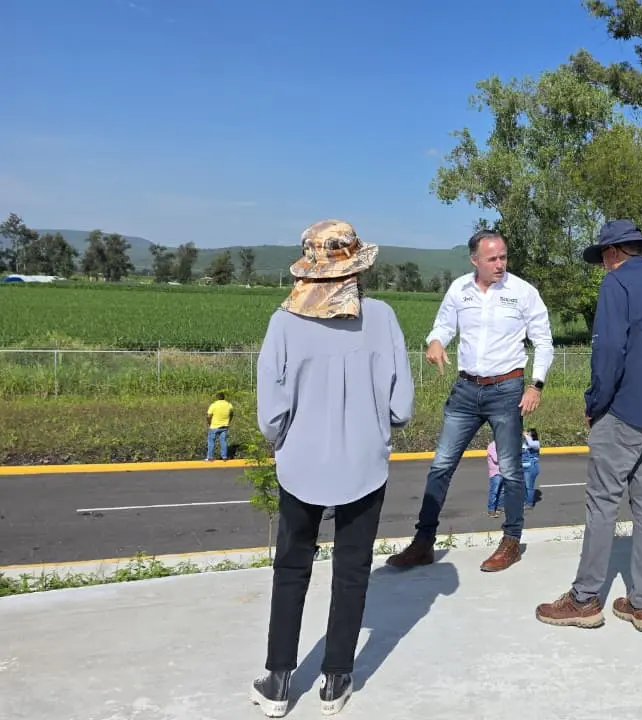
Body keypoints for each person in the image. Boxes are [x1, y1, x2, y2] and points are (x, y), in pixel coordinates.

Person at [249, 219, 414, 717]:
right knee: (352, 569)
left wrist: (287, 441)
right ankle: (336, 679)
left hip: (299, 463)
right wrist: (373, 430)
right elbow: (401, 405)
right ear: (355, 267)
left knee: (291, 566)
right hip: (365, 463)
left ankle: (278, 679)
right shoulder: (382, 318)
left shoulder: (282, 323)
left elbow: (269, 413)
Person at [535, 220, 642, 633]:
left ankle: (585, 599)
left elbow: (607, 351)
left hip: (622, 411)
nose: (603, 265)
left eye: (603, 257)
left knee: (603, 504)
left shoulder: (616, 285)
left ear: (613, 253)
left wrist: (595, 402)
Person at [386, 229, 553, 573]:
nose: (500, 264)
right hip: (465, 391)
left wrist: (535, 385)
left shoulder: (522, 292)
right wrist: (435, 342)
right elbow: (443, 325)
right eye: (492, 258)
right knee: (441, 465)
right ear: (474, 260)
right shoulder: (459, 289)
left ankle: (511, 541)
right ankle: (423, 543)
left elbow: (544, 341)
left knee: (509, 469)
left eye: (503, 256)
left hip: (507, 390)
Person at [205, 391, 233, 461]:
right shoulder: (229, 405)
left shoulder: (213, 405)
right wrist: (229, 421)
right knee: (223, 441)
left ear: (217, 398)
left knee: (211, 441)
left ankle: (210, 457)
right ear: (224, 397)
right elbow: (231, 414)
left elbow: (208, 416)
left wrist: (209, 423)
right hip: (225, 426)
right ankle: (224, 457)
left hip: (214, 426)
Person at [521, 429, 541, 508]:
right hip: (523, 467)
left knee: (529, 486)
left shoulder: (536, 443)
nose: (526, 434)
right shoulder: (524, 444)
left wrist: (526, 435)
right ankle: (525, 501)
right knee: (524, 486)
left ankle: (529, 503)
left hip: (532, 467)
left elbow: (531, 444)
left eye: (529, 433)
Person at [485, 440, 502, 518]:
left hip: (503, 472)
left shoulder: (502, 444)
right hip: (495, 473)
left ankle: (499, 508)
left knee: (502, 491)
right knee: (494, 491)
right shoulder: (492, 445)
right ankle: (491, 510)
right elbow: (496, 459)